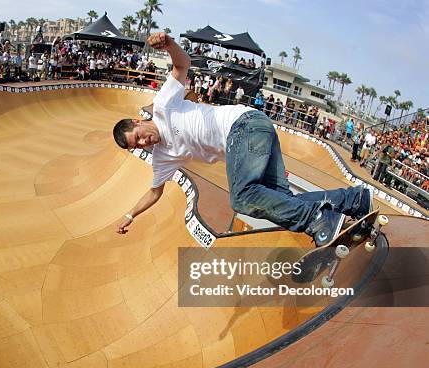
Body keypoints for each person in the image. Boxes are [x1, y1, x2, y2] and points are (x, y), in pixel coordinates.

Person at [112, 33, 372, 247]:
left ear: (137, 122)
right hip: (254, 133)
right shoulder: (162, 158)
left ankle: (319, 220)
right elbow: (155, 192)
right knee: (280, 202)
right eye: (139, 146)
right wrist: (129, 215)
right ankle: (353, 200)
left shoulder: (162, 106)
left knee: (242, 197)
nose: (145, 143)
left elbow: (182, 65)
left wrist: (170, 45)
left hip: (242, 126)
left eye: (138, 137)